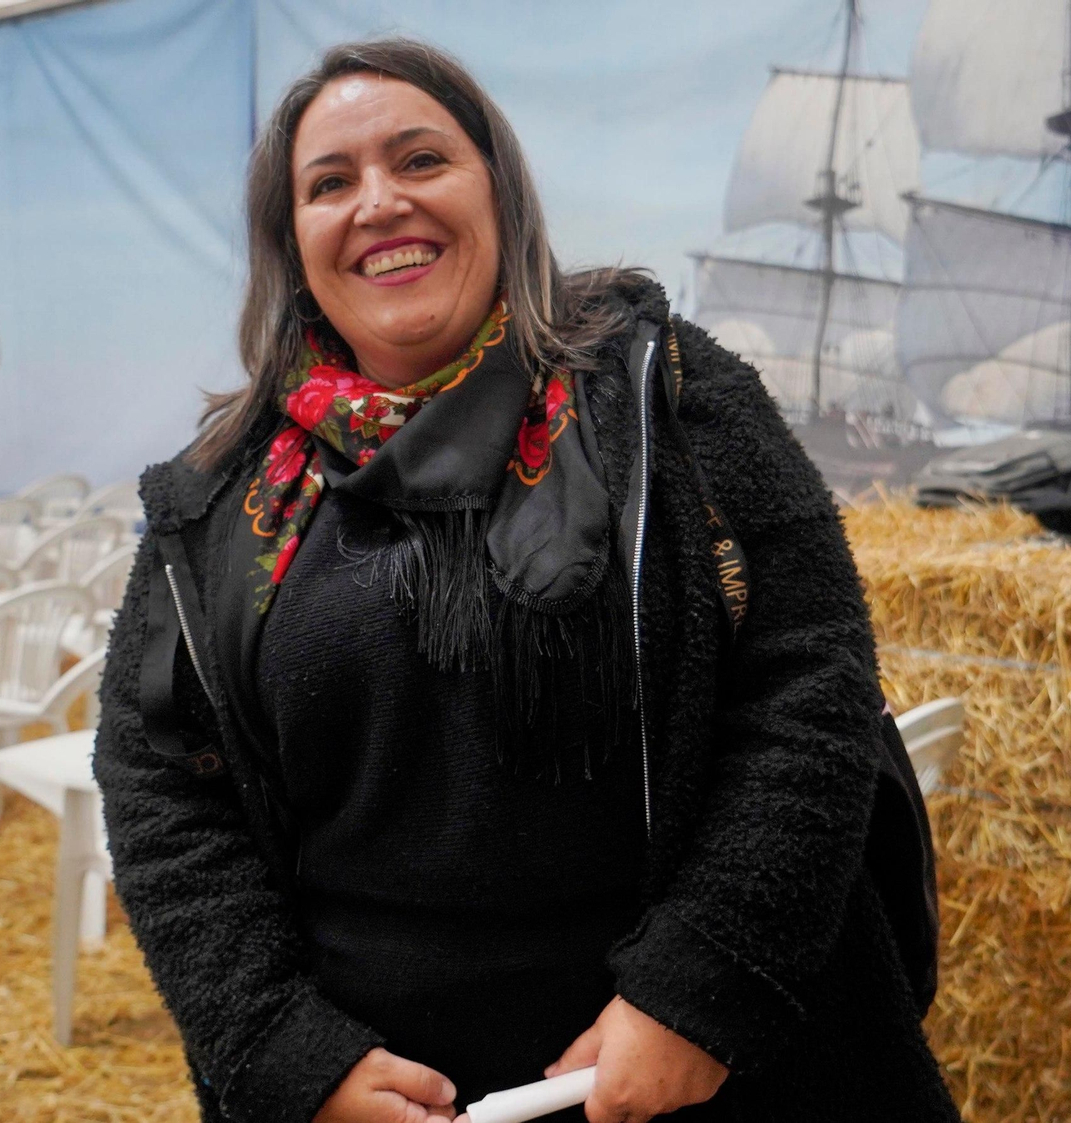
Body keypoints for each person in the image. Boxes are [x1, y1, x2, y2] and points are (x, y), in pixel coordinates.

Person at [94, 38, 960, 1123]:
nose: (378, 202)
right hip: (374, 1088)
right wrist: (277, 1044)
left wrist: (704, 986)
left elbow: (808, 680)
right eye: (330, 183)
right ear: (291, 240)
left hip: (717, 1072)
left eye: (420, 160)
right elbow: (161, 784)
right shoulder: (223, 492)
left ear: (498, 192)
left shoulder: (665, 392)